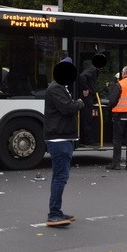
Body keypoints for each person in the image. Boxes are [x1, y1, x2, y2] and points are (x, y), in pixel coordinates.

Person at [43, 57, 85, 226]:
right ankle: (53, 214)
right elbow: (67, 108)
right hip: (59, 138)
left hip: (62, 137)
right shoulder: (56, 88)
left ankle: (57, 211)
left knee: (59, 177)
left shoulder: (60, 87)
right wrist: (80, 103)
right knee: (60, 177)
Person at [78, 54, 105, 146]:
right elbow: (82, 76)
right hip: (88, 97)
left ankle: (86, 139)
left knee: (86, 118)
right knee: (87, 118)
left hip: (89, 96)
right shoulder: (92, 69)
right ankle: (88, 140)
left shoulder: (91, 68)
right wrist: (85, 89)